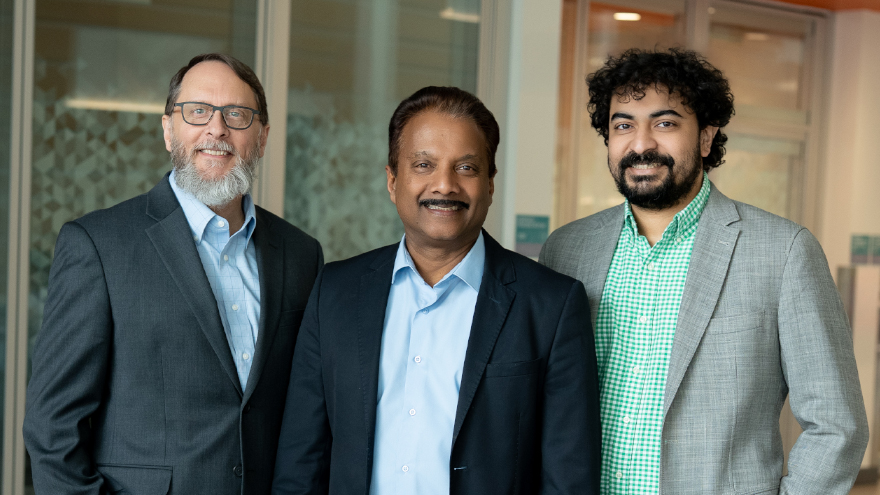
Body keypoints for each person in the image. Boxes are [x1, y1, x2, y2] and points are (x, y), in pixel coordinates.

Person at [540, 47, 868, 494]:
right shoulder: (567, 249)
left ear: (707, 136)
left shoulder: (783, 252)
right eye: (623, 125)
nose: (641, 144)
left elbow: (836, 425)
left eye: (665, 123)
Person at [271, 86, 600, 495]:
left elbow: (568, 476)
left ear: (490, 183)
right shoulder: (335, 292)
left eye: (466, 168)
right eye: (424, 164)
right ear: (392, 180)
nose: (444, 185)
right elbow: (302, 461)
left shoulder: (551, 305)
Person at [23, 53, 323, 495]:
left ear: (262, 137)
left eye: (237, 115)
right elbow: (52, 429)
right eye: (197, 111)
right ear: (168, 131)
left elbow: (304, 417)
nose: (216, 129)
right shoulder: (99, 246)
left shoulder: (300, 255)